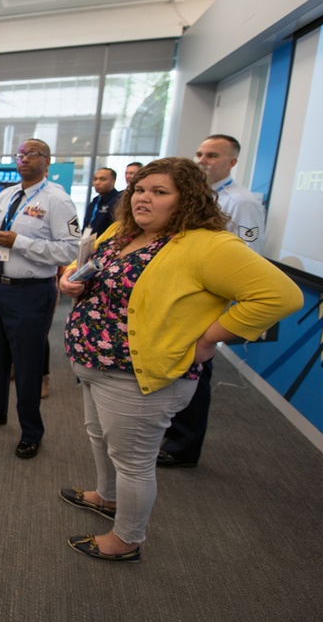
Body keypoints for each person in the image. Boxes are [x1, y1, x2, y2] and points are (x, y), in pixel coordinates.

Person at [58, 158, 301, 561]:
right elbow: (90, 263)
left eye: (159, 192)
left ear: (185, 199)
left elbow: (281, 296)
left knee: (133, 460)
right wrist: (70, 277)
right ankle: (106, 496)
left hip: (140, 375)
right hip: (95, 363)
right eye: (139, 189)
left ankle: (127, 539)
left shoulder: (208, 244)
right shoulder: (124, 230)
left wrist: (210, 339)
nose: (143, 198)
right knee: (99, 436)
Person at [0, 139, 80, 460]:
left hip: (31, 291)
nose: (23, 159)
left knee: (27, 364)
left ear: (47, 160)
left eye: (31, 154)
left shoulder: (58, 201)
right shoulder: (7, 194)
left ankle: (31, 430)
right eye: (20, 154)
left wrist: (21, 242)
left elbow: (70, 250)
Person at [158, 134, 267, 469]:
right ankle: (173, 435)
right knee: (179, 370)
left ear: (232, 162)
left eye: (212, 155)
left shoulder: (241, 201)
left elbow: (250, 260)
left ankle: (184, 447)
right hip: (183, 299)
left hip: (208, 303)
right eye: (199, 153)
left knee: (196, 372)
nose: (202, 160)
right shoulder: (197, 197)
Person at [83, 167, 120, 237]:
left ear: (113, 181)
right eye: (95, 179)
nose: (97, 183)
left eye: (102, 179)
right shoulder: (95, 201)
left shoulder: (118, 202)